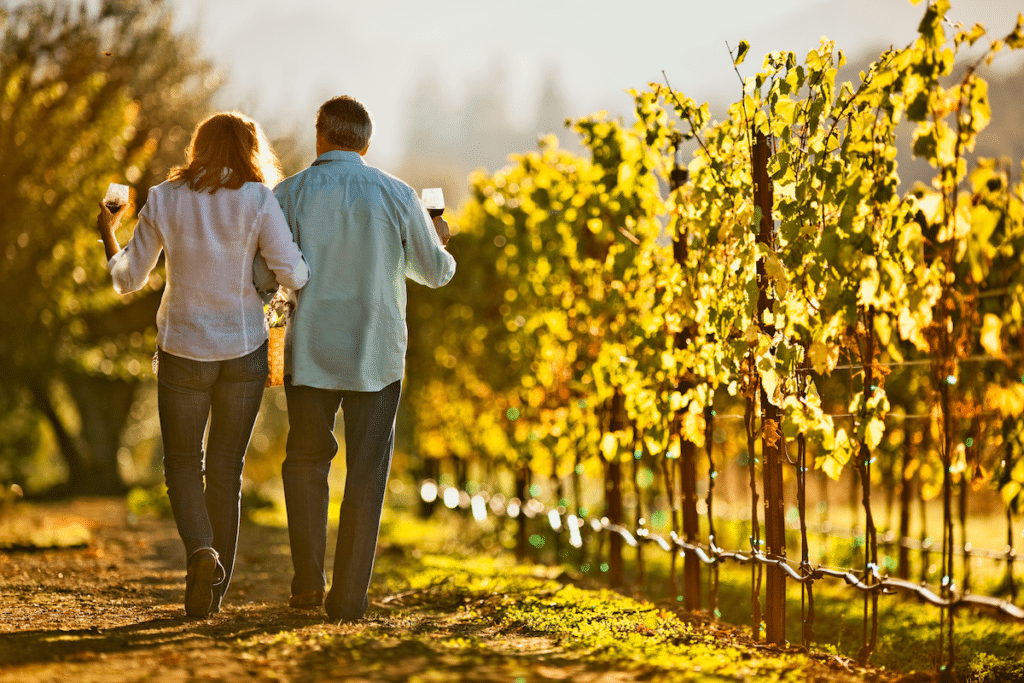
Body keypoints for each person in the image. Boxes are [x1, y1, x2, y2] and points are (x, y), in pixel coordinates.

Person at [96, 112, 309, 618]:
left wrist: (108, 230)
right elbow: (294, 273)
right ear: (250, 150)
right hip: (243, 350)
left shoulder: (164, 198)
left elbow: (128, 279)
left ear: (198, 147)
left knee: (183, 465)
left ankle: (201, 552)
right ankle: (212, 596)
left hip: (182, 350)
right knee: (225, 469)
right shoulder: (258, 199)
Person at [268, 95, 455, 623]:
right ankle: (348, 598)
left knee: (305, 462)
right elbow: (436, 273)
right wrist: (438, 239)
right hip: (377, 353)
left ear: (320, 135)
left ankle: (307, 582)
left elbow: (268, 273)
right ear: (366, 144)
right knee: (367, 475)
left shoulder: (290, 193)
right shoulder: (396, 194)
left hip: (310, 352)